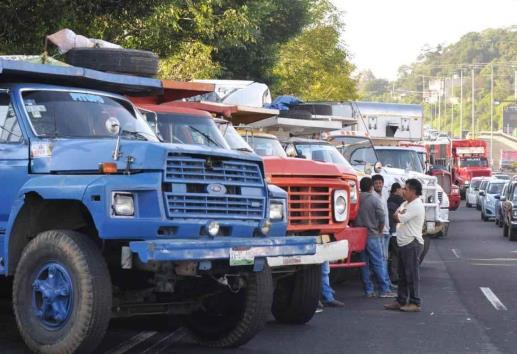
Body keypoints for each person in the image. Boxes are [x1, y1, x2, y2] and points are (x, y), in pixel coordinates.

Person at [384, 179, 425, 312]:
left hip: (411, 244)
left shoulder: (416, 205)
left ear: (413, 191)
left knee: (412, 275)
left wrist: (399, 215)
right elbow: (396, 214)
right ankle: (401, 300)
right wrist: (398, 214)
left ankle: (415, 302)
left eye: (406, 189)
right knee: (402, 275)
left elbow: (397, 217)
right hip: (403, 243)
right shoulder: (406, 203)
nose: (403, 191)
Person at [355, 177, 396, 298]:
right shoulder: (374, 200)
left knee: (364, 264)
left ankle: (368, 290)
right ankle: (384, 289)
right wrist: (379, 230)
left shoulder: (356, 200)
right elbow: (382, 217)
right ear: (371, 187)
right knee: (378, 262)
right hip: (373, 235)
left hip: (359, 235)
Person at [371, 174, 393, 288]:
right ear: (373, 185)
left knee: (385, 258)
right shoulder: (372, 196)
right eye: (376, 183)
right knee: (381, 259)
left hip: (386, 230)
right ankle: (384, 285)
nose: (378, 185)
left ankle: (387, 282)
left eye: (380, 183)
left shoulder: (385, 193)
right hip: (379, 232)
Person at [387, 182, 404, 283]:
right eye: (402, 189)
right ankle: (395, 276)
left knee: (392, 255)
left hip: (389, 231)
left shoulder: (388, 200)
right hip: (396, 232)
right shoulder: (400, 201)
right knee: (397, 255)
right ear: (397, 190)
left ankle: (392, 275)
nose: (403, 191)